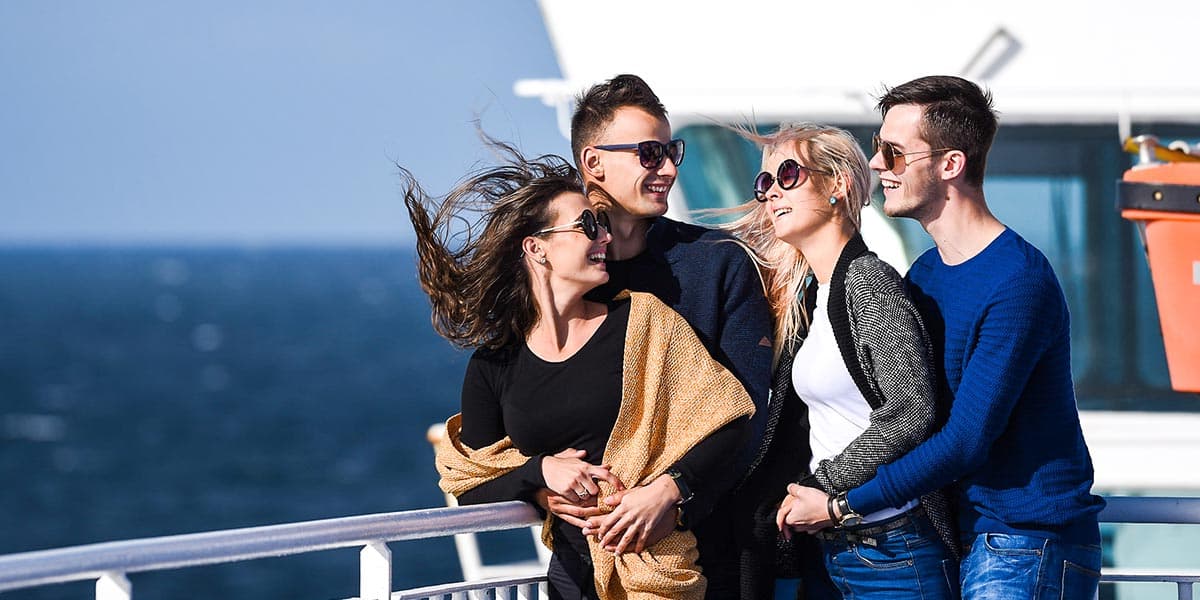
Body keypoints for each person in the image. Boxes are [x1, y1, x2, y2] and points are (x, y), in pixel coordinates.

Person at [778, 76, 1106, 599]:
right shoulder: (926, 274)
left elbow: (965, 440)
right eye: (877, 149)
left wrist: (841, 502)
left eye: (894, 152)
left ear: (950, 165)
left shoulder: (1018, 283)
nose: (878, 165)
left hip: (1027, 541)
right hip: (966, 533)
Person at [405, 142, 755, 600]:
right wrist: (540, 474)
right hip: (571, 577)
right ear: (537, 248)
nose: (604, 237)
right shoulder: (495, 365)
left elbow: (729, 419)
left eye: (602, 224)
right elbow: (471, 484)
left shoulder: (643, 323)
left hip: (659, 572)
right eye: (588, 226)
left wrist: (670, 490)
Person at [537, 73, 775, 599]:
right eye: (649, 153)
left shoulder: (719, 263)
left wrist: (674, 493)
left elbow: (749, 412)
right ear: (593, 162)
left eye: (672, 151)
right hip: (584, 565)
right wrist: (540, 485)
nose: (668, 168)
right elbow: (525, 402)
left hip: (711, 560)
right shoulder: (558, 272)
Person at [725, 122, 958, 598]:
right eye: (763, 183)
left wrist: (825, 483)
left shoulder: (869, 283)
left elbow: (912, 410)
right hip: (833, 550)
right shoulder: (813, 296)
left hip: (894, 552)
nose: (770, 193)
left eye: (787, 174)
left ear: (838, 184)